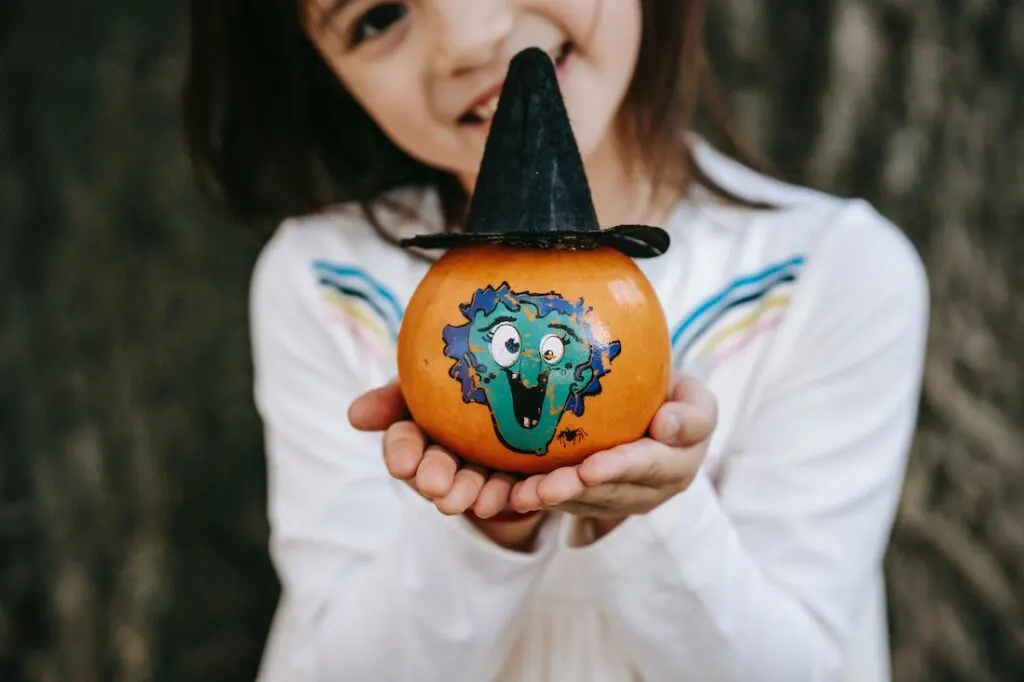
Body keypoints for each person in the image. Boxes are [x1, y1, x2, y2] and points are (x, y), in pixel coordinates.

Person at [181, 1, 930, 681]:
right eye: (378, 16)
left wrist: (651, 515)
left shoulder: (832, 277)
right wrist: (479, 534)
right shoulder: (325, 282)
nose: (471, 40)